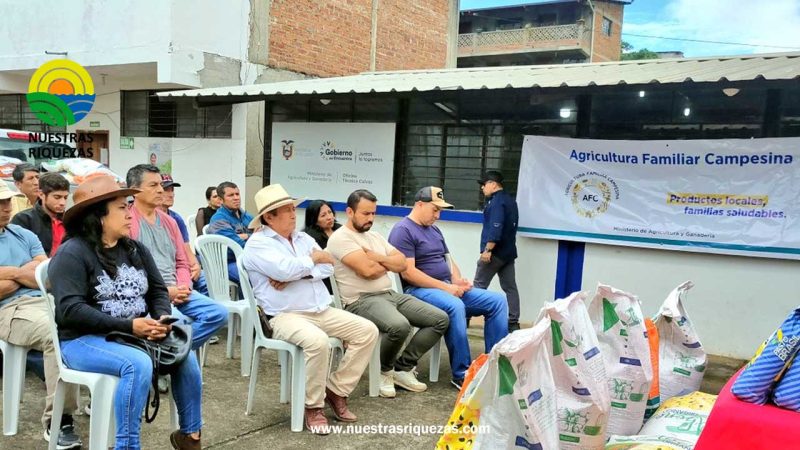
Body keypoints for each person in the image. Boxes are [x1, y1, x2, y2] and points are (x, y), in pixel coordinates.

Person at [49, 176, 203, 449]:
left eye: (128, 205)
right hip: (82, 340)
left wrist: (161, 318)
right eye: (122, 207)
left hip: (132, 335)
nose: (130, 213)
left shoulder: (134, 249)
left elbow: (158, 290)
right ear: (98, 216)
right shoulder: (72, 253)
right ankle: (127, 446)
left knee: (185, 356)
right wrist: (130, 326)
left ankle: (190, 436)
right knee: (137, 364)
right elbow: (70, 310)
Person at [241, 184, 378, 434]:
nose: (294, 214)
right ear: (269, 217)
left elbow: (329, 266)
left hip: (320, 310)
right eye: (286, 210)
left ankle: (336, 390)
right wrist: (312, 260)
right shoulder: (258, 244)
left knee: (367, 330)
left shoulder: (303, 238)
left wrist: (299, 273)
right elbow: (286, 269)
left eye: (293, 208)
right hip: (283, 315)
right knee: (318, 342)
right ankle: (313, 406)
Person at [327, 189, 448, 398]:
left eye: (373, 213)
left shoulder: (374, 236)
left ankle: (402, 368)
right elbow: (367, 271)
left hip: (389, 294)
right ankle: (384, 371)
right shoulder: (341, 238)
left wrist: (377, 258)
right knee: (399, 326)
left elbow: (402, 263)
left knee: (440, 319)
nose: (370, 218)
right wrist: (387, 263)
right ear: (350, 212)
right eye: (365, 213)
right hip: (360, 300)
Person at [388, 186, 508, 390]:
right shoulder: (403, 230)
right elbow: (409, 273)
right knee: (455, 305)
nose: (438, 215)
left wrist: (458, 281)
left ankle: (494, 365)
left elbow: (448, 261)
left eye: (440, 211)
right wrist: (446, 287)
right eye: (435, 209)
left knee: (498, 301)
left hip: (444, 288)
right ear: (420, 204)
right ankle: (462, 373)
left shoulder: (434, 230)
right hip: (417, 291)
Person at [0, 182, 82, 449]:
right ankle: (59, 419)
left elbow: (46, 276)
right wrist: (24, 272)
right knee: (55, 333)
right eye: (0, 202)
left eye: (8, 201)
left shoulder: (22, 234)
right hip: (9, 310)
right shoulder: (26, 231)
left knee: (85, 318)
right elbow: (34, 274)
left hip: (45, 300)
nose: (6, 207)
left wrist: (9, 273)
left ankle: (95, 397)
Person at [125, 165, 227, 354]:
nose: (160, 190)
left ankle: (168, 352)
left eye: (160, 185)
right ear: (135, 191)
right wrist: (165, 292)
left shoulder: (170, 222)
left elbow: (181, 261)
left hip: (177, 289)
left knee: (218, 314)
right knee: (179, 322)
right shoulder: (128, 222)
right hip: (149, 294)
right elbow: (128, 271)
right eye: (153, 185)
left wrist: (184, 286)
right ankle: (173, 351)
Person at [475, 171, 521, 333]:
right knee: (510, 287)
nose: (482, 187)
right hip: (508, 253)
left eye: (484, 184)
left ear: (493, 184)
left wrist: (488, 250)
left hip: (494, 254)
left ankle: (465, 316)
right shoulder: (510, 200)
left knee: (478, 286)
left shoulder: (496, 202)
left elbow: (496, 227)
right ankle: (513, 322)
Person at [159, 174, 209, 299]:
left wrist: (195, 265)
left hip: (181, 266)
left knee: (207, 280)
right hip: (166, 270)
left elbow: (186, 247)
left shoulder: (176, 218)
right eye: (166, 190)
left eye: (172, 190)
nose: (171, 194)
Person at [12, 172, 70, 256]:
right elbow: (17, 253)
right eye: (57, 197)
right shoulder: (24, 219)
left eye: (65, 197)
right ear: (41, 194)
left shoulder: (70, 220)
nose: (62, 203)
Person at [207, 181, 254, 285]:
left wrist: (246, 236)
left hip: (247, 257)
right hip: (227, 262)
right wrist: (253, 237)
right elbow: (238, 246)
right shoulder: (218, 219)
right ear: (220, 200)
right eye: (231, 195)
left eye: (237, 194)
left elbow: (263, 235)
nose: (236, 198)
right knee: (254, 276)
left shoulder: (246, 216)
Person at [303, 199, 342, 293]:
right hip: (326, 281)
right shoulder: (311, 237)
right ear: (314, 220)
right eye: (323, 215)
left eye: (330, 212)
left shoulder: (340, 229)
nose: (329, 217)